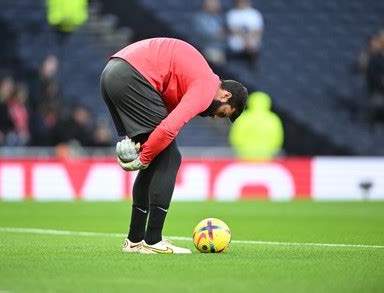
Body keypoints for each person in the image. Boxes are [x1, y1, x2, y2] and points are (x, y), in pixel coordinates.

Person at [100, 38, 248, 254]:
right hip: (133, 76)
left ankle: (134, 240)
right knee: (171, 158)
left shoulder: (195, 77)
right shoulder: (207, 85)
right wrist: (144, 158)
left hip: (112, 72)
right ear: (225, 95)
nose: (216, 117)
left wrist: (140, 149)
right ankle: (153, 241)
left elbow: (161, 118)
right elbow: (169, 128)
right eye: (223, 113)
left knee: (159, 156)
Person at [229, 91, 283, 160]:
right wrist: (272, 150)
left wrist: (239, 148)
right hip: (266, 156)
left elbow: (236, 135)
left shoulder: (243, 118)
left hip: (245, 155)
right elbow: (277, 137)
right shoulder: (272, 119)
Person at [226, 0, 264, 65]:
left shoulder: (255, 13)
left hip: (252, 43)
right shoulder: (232, 13)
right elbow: (233, 29)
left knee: (253, 43)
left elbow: (258, 30)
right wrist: (246, 39)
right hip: (237, 43)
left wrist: (250, 39)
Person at [193, 0, 227, 66]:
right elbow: (202, 35)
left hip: (221, 47)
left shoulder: (219, 18)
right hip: (207, 47)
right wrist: (218, 34)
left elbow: (225, 34)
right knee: (215, 56)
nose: (215, 5)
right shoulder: (199, 18)